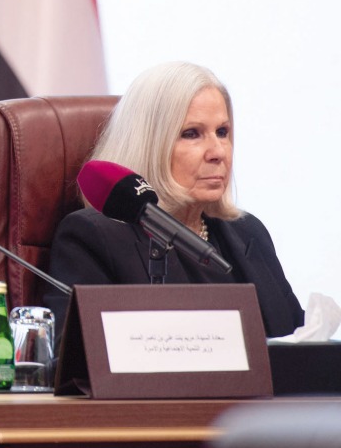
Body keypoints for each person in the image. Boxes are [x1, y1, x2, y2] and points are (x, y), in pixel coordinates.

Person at [44, 61, 303, 338]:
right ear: (150, 143)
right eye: (191, 134)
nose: (218, 152)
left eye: (223, 132)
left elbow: (299, 345)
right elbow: (77, 366)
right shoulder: (94, 237)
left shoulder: (249, 232)